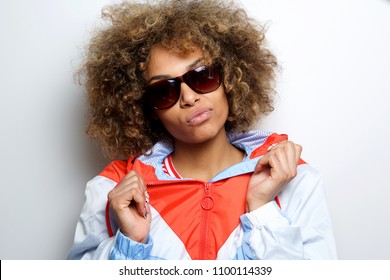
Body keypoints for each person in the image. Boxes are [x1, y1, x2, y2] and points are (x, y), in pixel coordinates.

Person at [68, 0, 337, 260]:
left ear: (228, 78)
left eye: (201, 75)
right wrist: (130, 245)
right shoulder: (113, 191)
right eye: (164, 91)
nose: (188, 97)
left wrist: (262, 209)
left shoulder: (292, 177)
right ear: (146, 108)